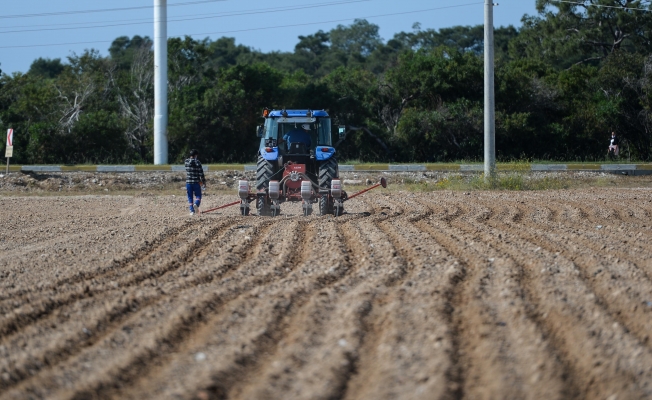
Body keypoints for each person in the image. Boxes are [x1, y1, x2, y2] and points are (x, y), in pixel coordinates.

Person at [185, 149, 206, 215]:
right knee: (198, 196)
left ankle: (191, 211)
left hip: (188, 182)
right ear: (196, 155)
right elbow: (201, 173)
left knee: (190, 197)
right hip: (196, 182)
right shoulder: (198, 162)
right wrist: (203, 181)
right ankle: (196, 204)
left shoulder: (186, 161)